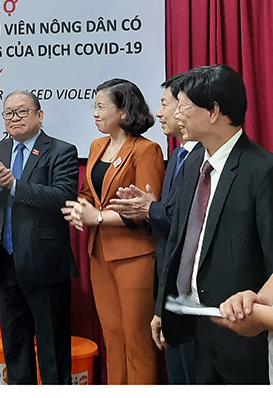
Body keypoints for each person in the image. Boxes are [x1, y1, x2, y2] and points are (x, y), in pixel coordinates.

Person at [154, 64, 273, 384]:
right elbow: (178, 239)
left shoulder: (261, 171)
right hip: (194, 326)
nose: (176, 115)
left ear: (213, 111)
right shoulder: (193, 161)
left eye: (183, 107)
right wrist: (161, 307)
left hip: (243, 335)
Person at [0, 90, 79, 384]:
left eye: (21, 111)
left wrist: (15, 185)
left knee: (53, 349)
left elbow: (63, 197)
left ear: (39, 116)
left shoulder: (61, 151)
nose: (14, 118)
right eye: (8, 113)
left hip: (44, 264)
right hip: (5, 263)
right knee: (15, 348)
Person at [61, 78, 164, 384]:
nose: (95, 112)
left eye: (101, 106)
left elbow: (146, 209)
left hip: (134, 256)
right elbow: (88, 193)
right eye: (94, 106)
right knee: (113, 337)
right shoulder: (97, 145)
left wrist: (98, 217)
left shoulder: (146, 150)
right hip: (99, 253)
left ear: (124, 112)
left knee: (137, 340)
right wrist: (80, 208)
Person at [106, 81, 202, 384]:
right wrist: (148, 210)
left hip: (195, 289)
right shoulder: (177, 156)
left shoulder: (203, 159)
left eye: (165, 104)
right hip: (169, 284)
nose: (158, 113)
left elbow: (191, 221)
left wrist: (150, 210)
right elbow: (166, 218)